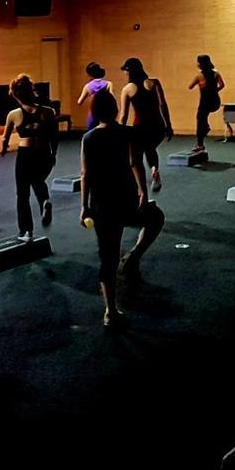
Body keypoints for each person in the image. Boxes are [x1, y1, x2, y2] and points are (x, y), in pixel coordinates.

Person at [80, 89, 164, 329]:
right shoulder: (128, 133)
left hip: (101, 203)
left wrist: (83, 207)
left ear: (94, 112)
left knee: (107, 256)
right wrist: (143, 191)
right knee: (155, 218)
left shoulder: (88, 138)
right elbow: (135, 162)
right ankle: (133, 256)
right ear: (116, 110)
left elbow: (86, 174)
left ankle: (110, 310)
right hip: (127, 198)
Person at [1, 74, 58, 242]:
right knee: (37, 180)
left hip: (25, 153)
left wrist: (4, 148)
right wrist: (53, 154)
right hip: (43, 153)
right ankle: (44, 201)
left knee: (22, 193)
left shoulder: (14, 114)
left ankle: (26, 231)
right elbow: (54, 137)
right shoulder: (48, 112)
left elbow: (5, 137)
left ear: (15, 95)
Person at [118, 57, 173, 194]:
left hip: (140, 127)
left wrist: (118, 131)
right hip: (157, 125)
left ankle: (141, 189)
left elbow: (123, 115)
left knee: (135, 159)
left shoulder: (127, 89)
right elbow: (163, 105)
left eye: (126, 71)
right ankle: (154, 169)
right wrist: (168, 125)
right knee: (149, 147)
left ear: (129, 71)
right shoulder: (154, 83)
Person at [187, 55, 225, 152]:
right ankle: (205, 127)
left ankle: (200, 144)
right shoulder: (216, 74)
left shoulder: (199, 76)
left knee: (200, 121)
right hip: (215, 102)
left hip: (204, 102)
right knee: (203, 118)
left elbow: (190, 86)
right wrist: (215, 91)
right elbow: (222, 85)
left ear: (201, 64)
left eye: (198, 62)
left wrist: (200, 84)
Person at [75, 62, 111, 131]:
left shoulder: (88, 86)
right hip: (106, 114)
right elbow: (112, 99)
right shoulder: (108, 84)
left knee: (92, 134)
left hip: (93, 113)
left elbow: (79, 102)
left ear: (89, 74)